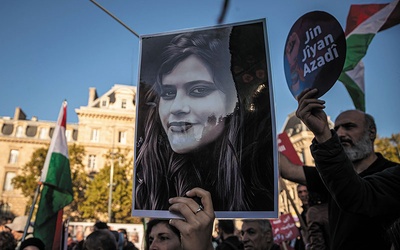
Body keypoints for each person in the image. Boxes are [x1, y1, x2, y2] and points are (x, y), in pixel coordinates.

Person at [135, 22, 274, 212]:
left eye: (198, 90)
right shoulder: (149, 177)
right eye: (168, 94)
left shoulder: (260, 167)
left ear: (231, 101)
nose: (177, 107)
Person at [280, 88, 400, 249]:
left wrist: (324, 135)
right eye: (335, 129)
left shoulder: (393, 174)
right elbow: (288, 170)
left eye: (349, 127)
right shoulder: (329, 177)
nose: (340, 134)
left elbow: (357, 194)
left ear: (372, 132)